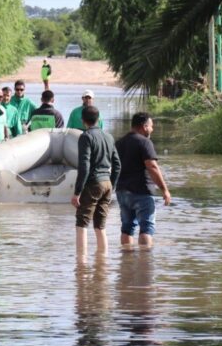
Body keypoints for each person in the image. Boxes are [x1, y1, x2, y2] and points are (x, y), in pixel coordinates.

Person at [115, 112, 171, 248]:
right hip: (142, 192)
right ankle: (145, 263)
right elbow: (152, 166)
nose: (152, 129)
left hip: (122, 191)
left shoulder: (119, 143)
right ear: (144, 126)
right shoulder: (145, 142)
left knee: (127, 228)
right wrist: (165, 190)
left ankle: (126, 262)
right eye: (151, 126)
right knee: (146, 228)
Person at [71, 106, 121, 254]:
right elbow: (117, 165)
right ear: (98, 119)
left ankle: (81, 266)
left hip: (93, 183)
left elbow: (84, 166)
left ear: (83, 120)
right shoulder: (109, 137)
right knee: (100, 226)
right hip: (107, 184)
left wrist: (77, 192)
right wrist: (113, 185)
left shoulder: (86, 137)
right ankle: (102, 265)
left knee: (82, 224)